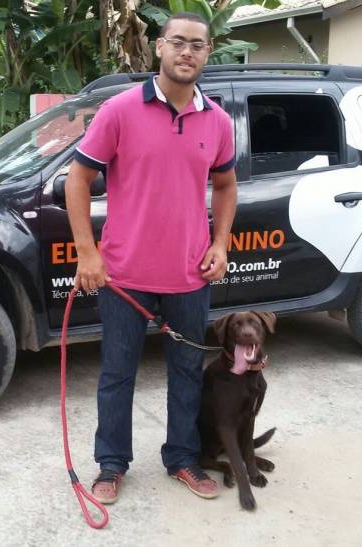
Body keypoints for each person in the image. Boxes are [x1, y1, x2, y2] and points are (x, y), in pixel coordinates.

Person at [64, 12, 237, 504]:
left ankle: (182, 458)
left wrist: (220, 243)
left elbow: (225, 186)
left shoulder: (217, 121)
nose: (187, 52)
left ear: (207, 53)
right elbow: (77, 180)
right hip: (123, 275)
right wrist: (87, 254)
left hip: (189, 274)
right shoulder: (119, 111)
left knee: (186, 372)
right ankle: (111, 465)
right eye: (178, 42)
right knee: (117, 373)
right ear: (159, 47)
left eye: (197, 45)